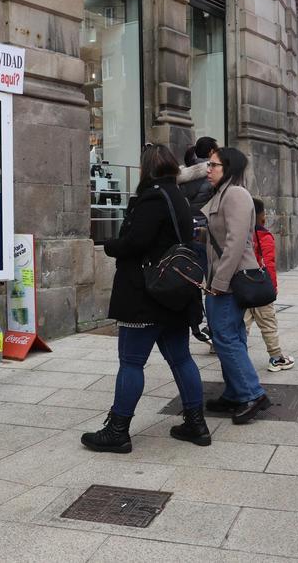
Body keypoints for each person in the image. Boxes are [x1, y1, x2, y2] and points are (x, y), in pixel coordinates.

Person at [81, 144, 209, 452]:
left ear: (147, 169)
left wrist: (110, 244)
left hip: (146, 295)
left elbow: (136, 242)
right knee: (180, 358)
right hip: (173, 293)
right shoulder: (176, 196)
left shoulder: (153, 198)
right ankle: (196, 423)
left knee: (131, 361)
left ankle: (118, 430)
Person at [201, 147, 272, 424]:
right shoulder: (223, 193)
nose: (208, 169)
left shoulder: (236, 195)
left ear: (228, 168)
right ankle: (234, 392)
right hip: (222, 278)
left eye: (213, 165)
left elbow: (235, 243)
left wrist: (218, 283)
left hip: (230, 281)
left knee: (226, 339)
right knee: (231, 336)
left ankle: (252, 393)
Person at [245, 198, 295, 372]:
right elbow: (269, 265)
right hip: (260, 289)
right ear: (261, 217)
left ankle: (238, 356)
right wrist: (272, 288)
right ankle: (276, 358)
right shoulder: (264, 237)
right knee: (268, 324)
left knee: (241, 325)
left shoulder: (240, 234)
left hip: (242, 289)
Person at [178, 136, 219, 343]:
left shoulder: (183, 174)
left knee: (192, 281)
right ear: (211, 151)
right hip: (206, 232)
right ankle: (213, 329)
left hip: (188, 232)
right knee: (212, 283)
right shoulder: (212, 174)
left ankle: (194, 324)